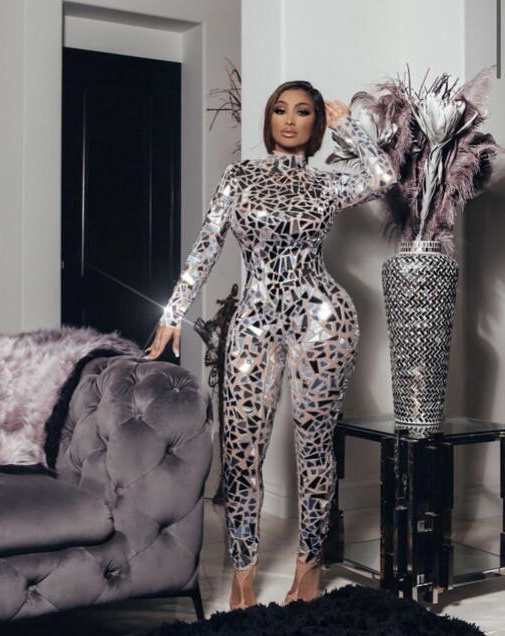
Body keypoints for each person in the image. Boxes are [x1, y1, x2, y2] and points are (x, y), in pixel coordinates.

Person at [145, 80, 397, 609]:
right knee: (241, 452)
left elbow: (383, 177)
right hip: (254, 323)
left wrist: (351, 128)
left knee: (314, 448)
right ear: (269, 119)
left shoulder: (327, 183)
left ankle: (309, 567)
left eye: (303, 112)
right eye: (280, 110)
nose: (289, 120)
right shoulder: (240, 176)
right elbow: (207, 244)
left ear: (315, 124)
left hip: (323, 321)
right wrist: (173, 311)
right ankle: (243, 574)